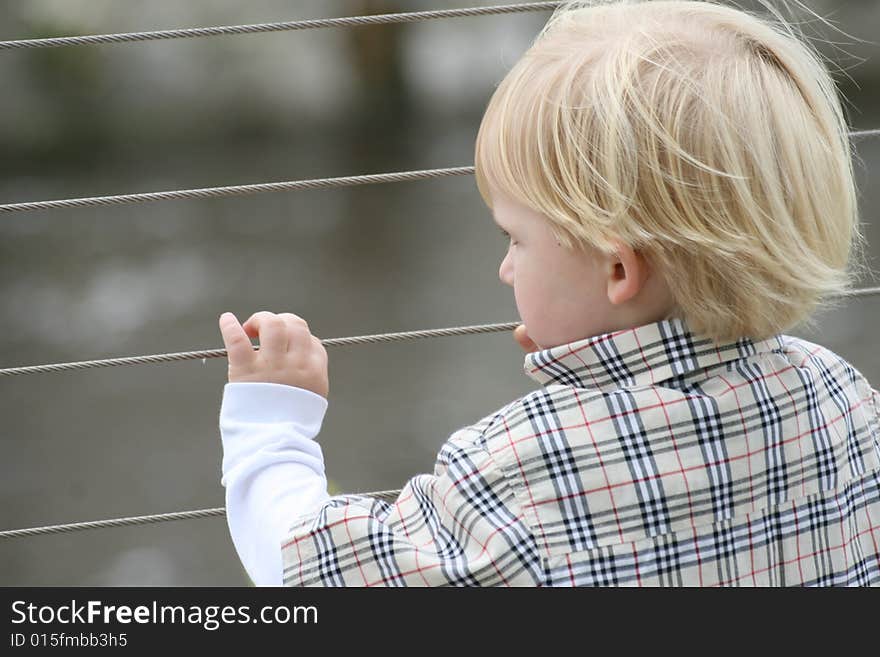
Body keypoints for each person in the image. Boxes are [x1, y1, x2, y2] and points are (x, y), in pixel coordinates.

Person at [217, 0, 880, 586]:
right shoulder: (843, 398)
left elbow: (306, 572)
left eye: (515, 239)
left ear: (617, 273)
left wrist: (271, 427)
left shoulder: (522, 471)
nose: (505, 269)